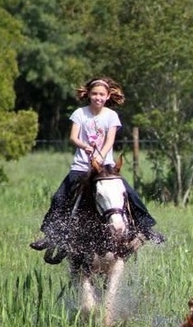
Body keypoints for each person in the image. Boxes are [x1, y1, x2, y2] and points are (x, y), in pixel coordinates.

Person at [30, 77, 163, 256]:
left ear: (108, 96)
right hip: (81, 166)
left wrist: (100, 157)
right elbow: (73, 137)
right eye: (94, 94)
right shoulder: (80, 113)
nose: (98, 97)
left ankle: (145, 227)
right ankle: (52, 235)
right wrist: (84, 146)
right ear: (89, 95)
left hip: (105, 166)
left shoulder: (111, 116)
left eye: (101, 94)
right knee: (59, 197)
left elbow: (110, 140)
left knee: (129, 193)